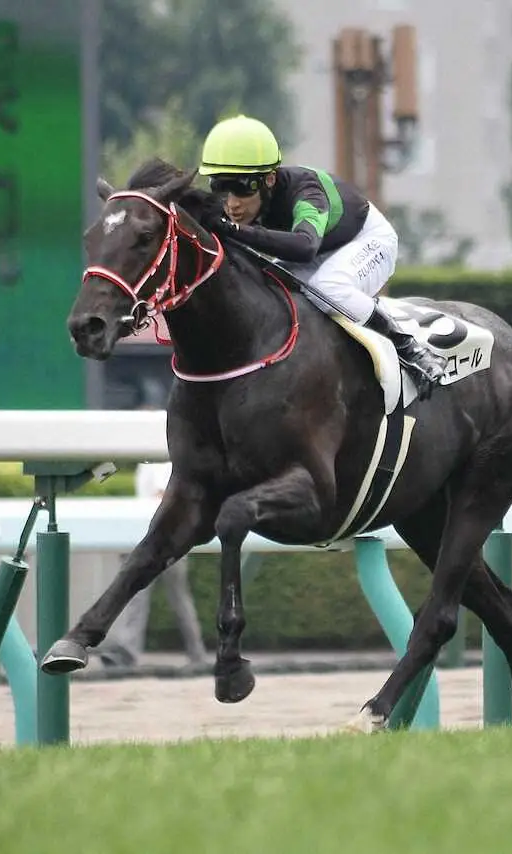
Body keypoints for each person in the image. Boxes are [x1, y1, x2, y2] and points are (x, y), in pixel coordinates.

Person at [196, 114, 448, 398]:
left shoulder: (306, 193)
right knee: (266, 286)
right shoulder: (238, 202)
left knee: (327, 288)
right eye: (219, 186)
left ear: (269, 179)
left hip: (365, 240)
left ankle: (410, 349)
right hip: (318, 248)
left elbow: (304, 247)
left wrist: (233, 229)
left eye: (242, 188)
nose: (231, 203)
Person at [98, 461, 208, 668]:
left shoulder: (156, 462)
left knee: (142, 596)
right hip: (168, 541)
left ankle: (129, 652)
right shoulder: (153, 461)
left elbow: (162, 497)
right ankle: (197, 653)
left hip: (160, 542)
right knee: (177, 599)